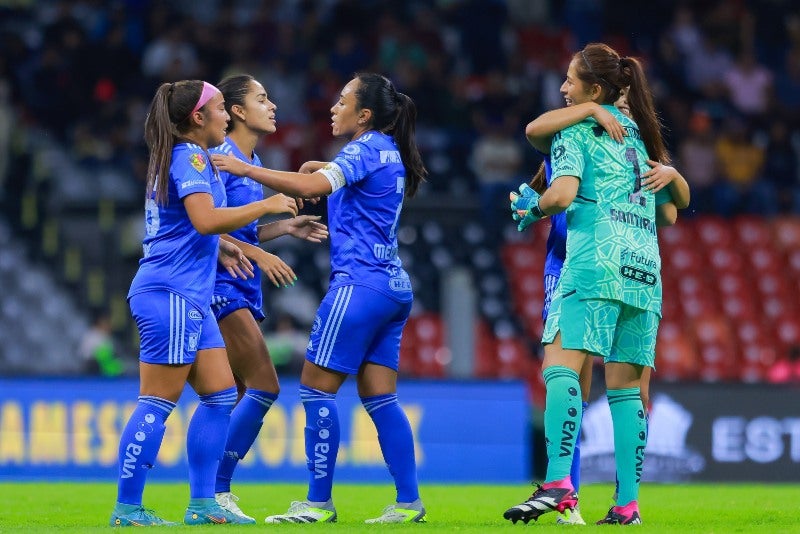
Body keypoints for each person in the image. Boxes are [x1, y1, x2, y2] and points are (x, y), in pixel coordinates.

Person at [211, 72, 428, 524]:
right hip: (392, 287)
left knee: (314, 390)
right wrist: (310, 177)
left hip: (358, 285)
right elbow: (327, 184)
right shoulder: (387, 151)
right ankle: (409, 502)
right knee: (381, 398)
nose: (334, 107)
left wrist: (249, 169)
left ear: (364, 114)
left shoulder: (365, 147)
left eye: (343, 100)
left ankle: (317, 502)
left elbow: (313, 190)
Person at [109, 79, 299, 527]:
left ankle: (202, 504)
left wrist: (225, 246)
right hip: (169, 293)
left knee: (218, 396)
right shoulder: (189, 155)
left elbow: (194, 228)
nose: (225, 116)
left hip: (191, 296)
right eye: (219, 109)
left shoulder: (188, 158)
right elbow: (205, 218)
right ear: (198, 117)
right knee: (157, 402)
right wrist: (267, 205)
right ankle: (127, 508)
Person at [502, 43, 671, 526]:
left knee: (560, 367)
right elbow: (673, 212)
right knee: (626, 391)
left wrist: (530, 208)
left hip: (594, 263)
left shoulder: (575, 127)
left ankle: (558, 483)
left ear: (593, 90)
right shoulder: (642, 139)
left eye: (570, 82)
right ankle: (628, 504)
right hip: (644, 272)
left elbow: (561, 193)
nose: (561, 89)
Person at [210, 73, 329, 522]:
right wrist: (259, 254)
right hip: (220, 287)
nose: (273, 105)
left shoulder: (249, 159)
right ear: (237, 110)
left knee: (235, 393)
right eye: (262, 98)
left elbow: (238, 228)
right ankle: (216, 490)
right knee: (264, 385)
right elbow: (208, 225)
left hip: (239, 285)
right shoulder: (221, 159)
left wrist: (283, 228)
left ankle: (210, 492)